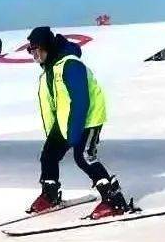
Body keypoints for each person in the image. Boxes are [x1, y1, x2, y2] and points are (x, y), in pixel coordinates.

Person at [25, 26, 132, 220]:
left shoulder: (71, 65)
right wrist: (54, 134)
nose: (34, 55)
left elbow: (81, 100)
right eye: (31, 50)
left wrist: (73, 133)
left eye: (36, 50)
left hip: (87, 119)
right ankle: (50, 195)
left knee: (83, 157)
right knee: (48, 155)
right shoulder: (50, 69)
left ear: (47, 47)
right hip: (66, 121)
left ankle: (114, 200)